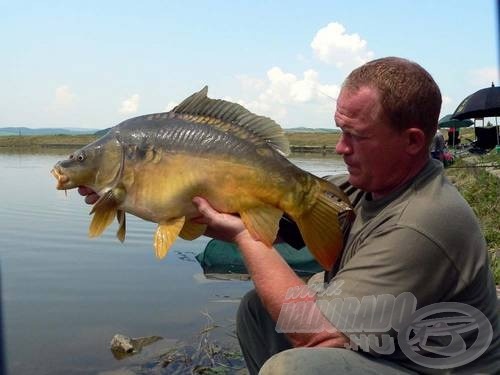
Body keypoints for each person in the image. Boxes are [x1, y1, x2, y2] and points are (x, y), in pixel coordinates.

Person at [79, 57, 500, 374]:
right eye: (339, 130)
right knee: (258, 312)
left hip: (438, 368)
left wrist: (245, 238)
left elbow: (309, 329)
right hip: (391, 341)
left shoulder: (422, 221)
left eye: (356, 136)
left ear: (411, 142)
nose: (340, 147)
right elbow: (291, 230)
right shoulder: (372, 187)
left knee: (293, 367)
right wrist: (202, 212)